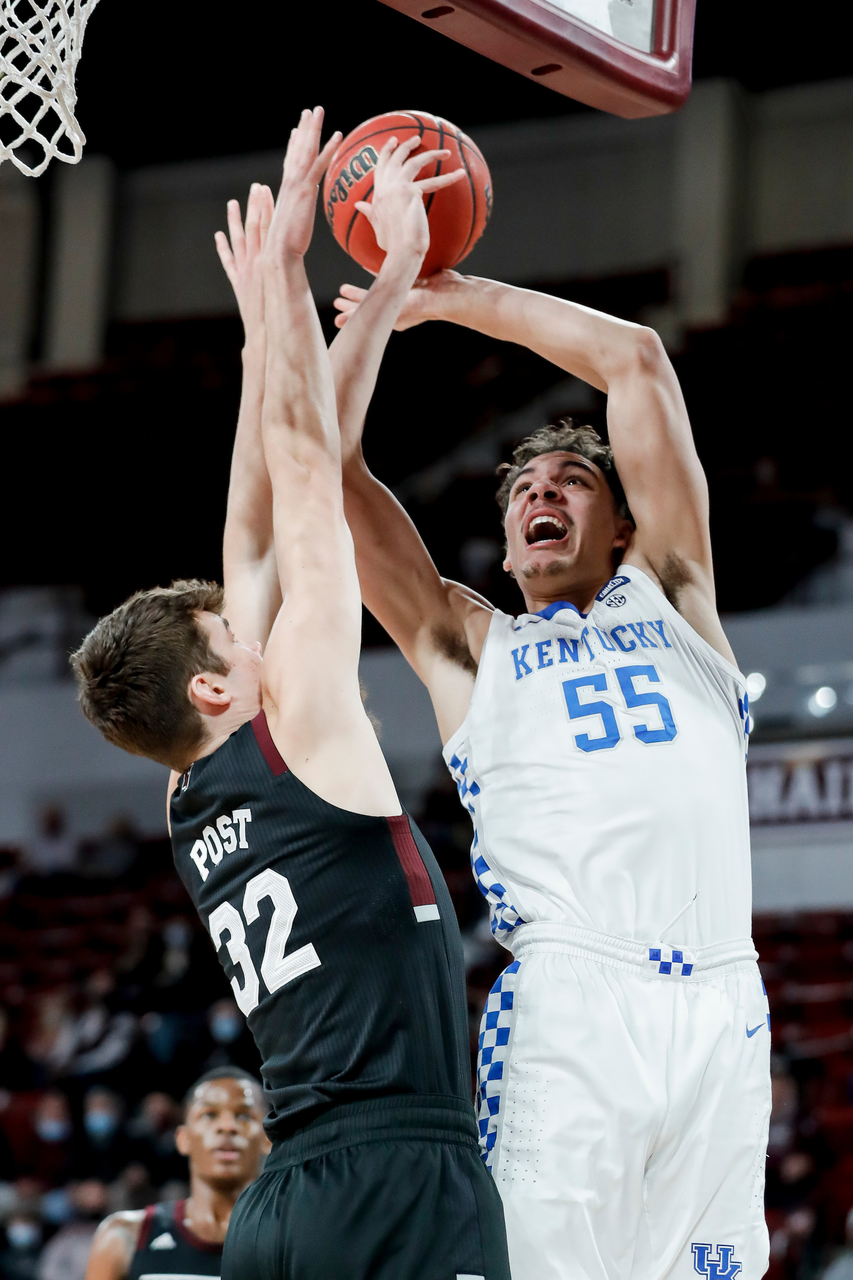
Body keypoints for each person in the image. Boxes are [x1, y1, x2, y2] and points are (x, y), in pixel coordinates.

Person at [70, 108, 510, 1280]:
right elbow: (303, 477)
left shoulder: (188, 788)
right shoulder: (304, 721)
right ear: (218, 681)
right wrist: (352, 276)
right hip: (396, 1175)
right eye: (230, 631)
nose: (248, 617)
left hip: (284, 1216)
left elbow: (261, 519)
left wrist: (281, 326)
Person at [331, 257, 772, 1273]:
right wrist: (369, 317)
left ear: (621, 528)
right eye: (524, 487)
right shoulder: (469, 644)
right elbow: (337, 475)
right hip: (574, 1008)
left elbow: (636, 359)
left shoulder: (674, 597)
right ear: (506, 540)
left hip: (721, 998)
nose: (543, 492)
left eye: (571, 480)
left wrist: (447, 298)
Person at [84, 1070, 268, 1280]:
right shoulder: (122, 1237)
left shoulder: (298, 1242)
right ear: (183, 1138)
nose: (227, 1127)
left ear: (268, 1139)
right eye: (209, 1114)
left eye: (244, 1115)